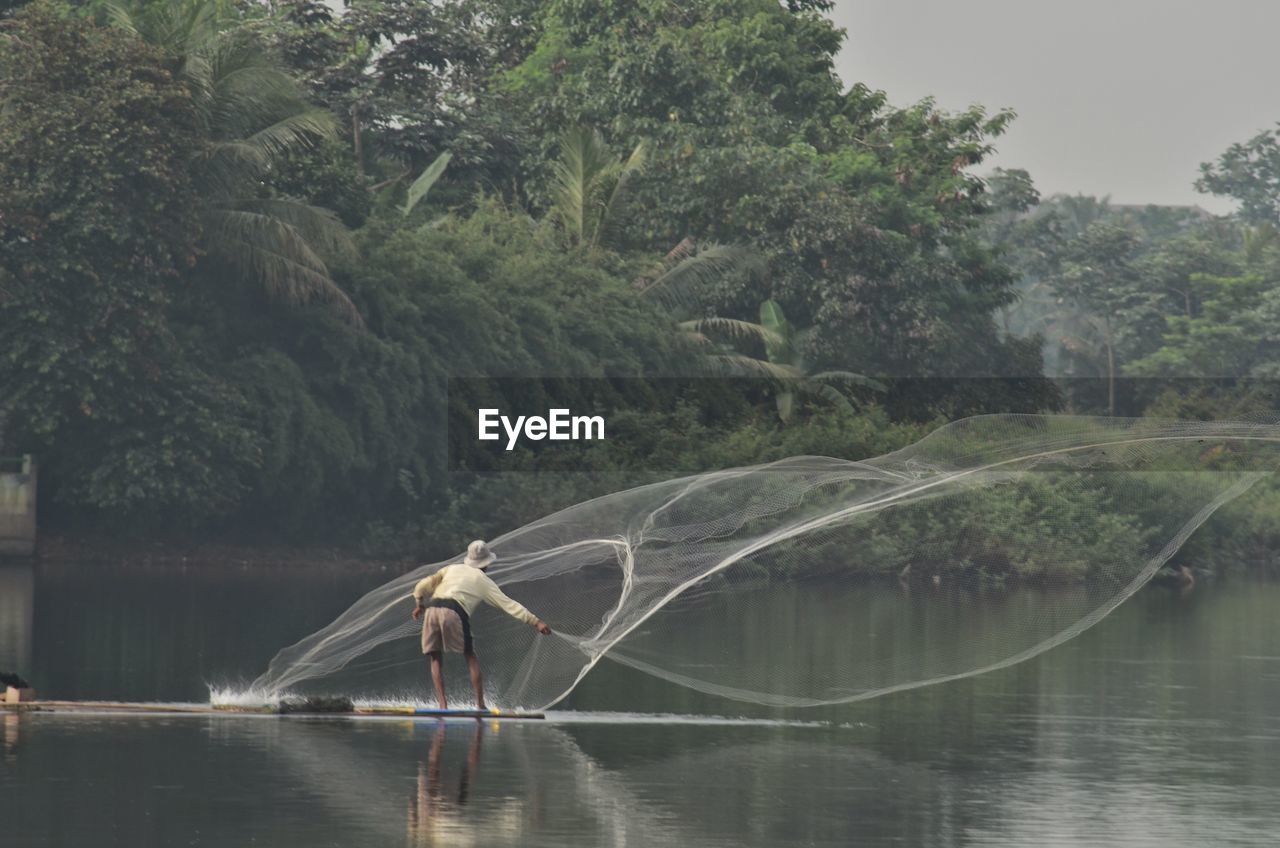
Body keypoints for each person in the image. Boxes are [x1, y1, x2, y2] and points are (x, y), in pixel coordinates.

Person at [411, 540, 551, 710]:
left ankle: (442, 705)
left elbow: (422, 586)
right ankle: (480, 704)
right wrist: (536, 622)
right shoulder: (483, 580)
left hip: (432, 610)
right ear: (486, 564)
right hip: (454, 610)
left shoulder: (451, 569)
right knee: (470, 656)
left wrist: (419, 604)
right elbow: (509, 604)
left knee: (435, 658)